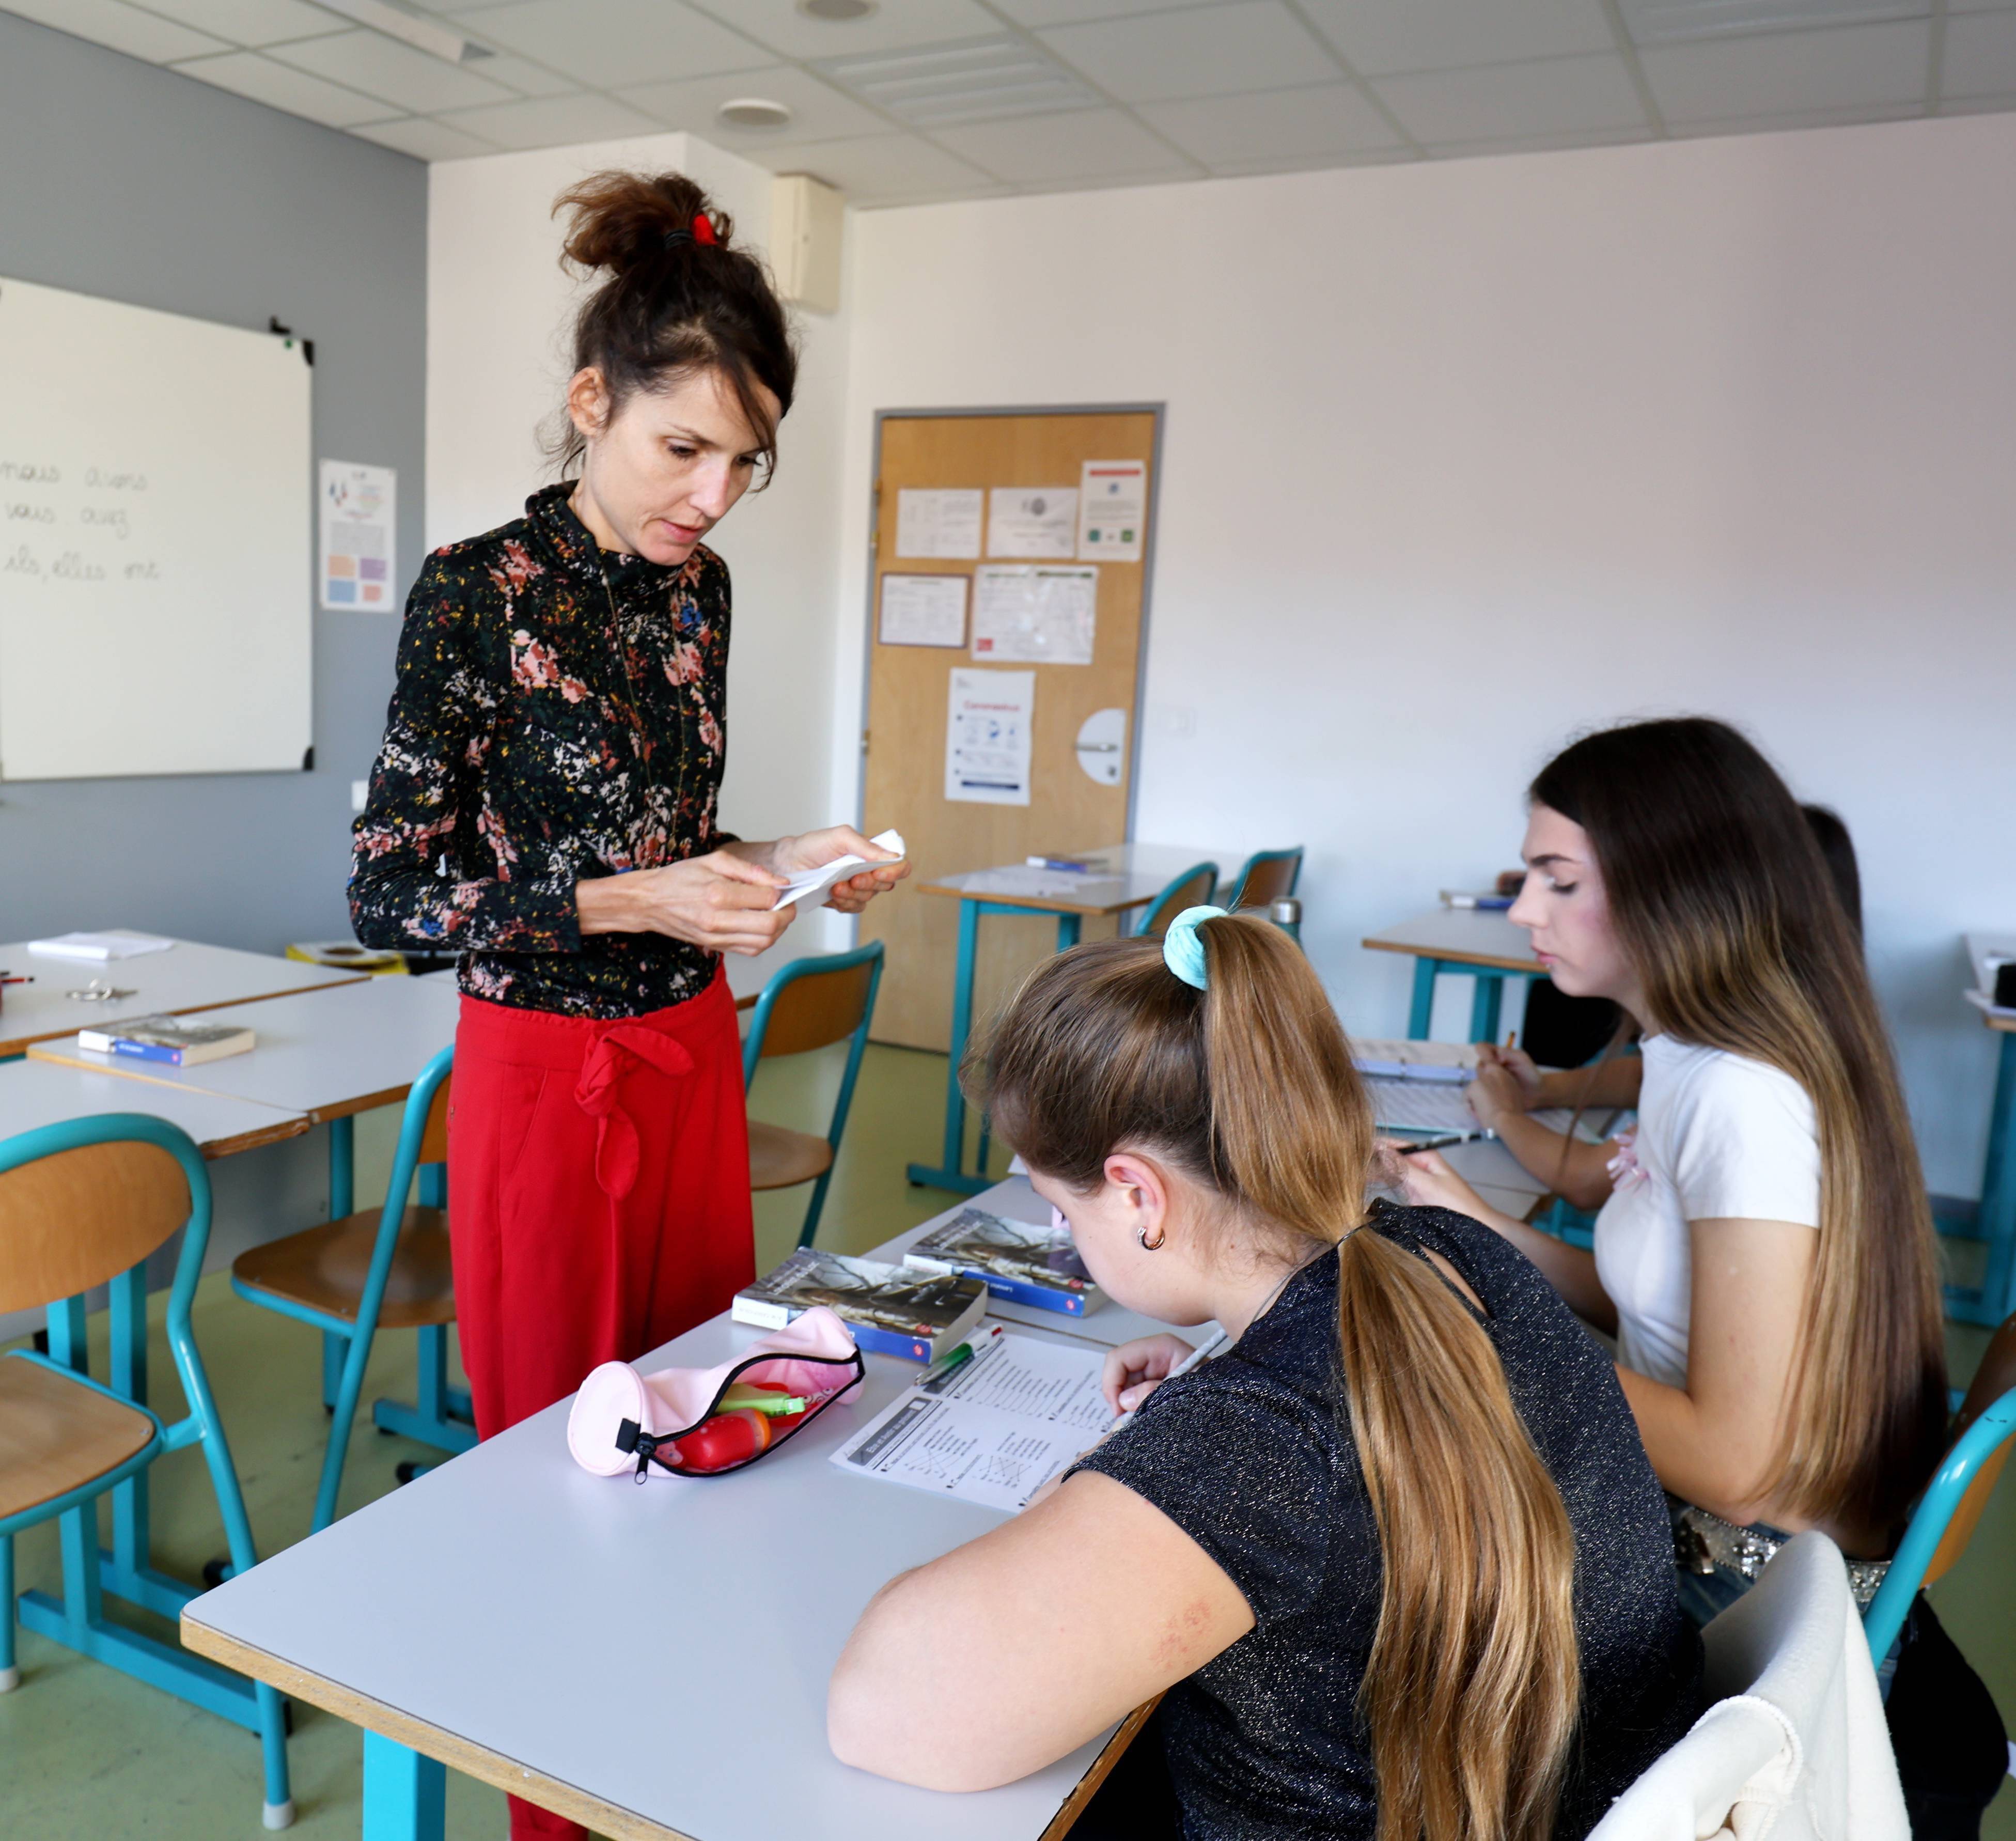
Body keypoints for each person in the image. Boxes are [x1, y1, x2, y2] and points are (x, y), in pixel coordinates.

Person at [350, 170, 904, 1841]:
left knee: (709, 1413)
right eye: (684, 449)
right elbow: (389, 894)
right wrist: (636, 899)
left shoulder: (697, 594)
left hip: (685, 1056)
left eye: (745, 464)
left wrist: (777, 860)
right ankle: (560, 1799)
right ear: (593, 403)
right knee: (565, 1462)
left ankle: (669, 1765)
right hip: (543, 1077)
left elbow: (671, 842)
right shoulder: (479, 589)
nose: (713, 495)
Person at [830, 910, 1699, 1841]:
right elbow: (1341, 1434)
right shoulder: (1445, 1248)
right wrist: (1211, 1395)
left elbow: (880, 1712)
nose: (1065, 1234)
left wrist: (1147, 1455)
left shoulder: (1256, 1444)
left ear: (1138, 1194)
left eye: (1061, 1208)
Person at [1390, 720, 1947, 1614]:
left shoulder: (1738, 1095)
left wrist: (1494, 1331)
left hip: (1738, 1595)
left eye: (1558, 880)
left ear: (1673, 887)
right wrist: (1479, 1229)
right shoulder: (1691, 1057)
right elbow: (1666, 1312)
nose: (1525, 910)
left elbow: (1733, 1466)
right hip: (1705, 1539)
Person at [1472, 802, 1866, 1212]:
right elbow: (1648, 1073)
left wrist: (1503, 1115)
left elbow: (1586, 1180)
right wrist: (1544, 1091)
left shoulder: (1741, 1077)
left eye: (1563, 881)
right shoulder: (1783, 1013)